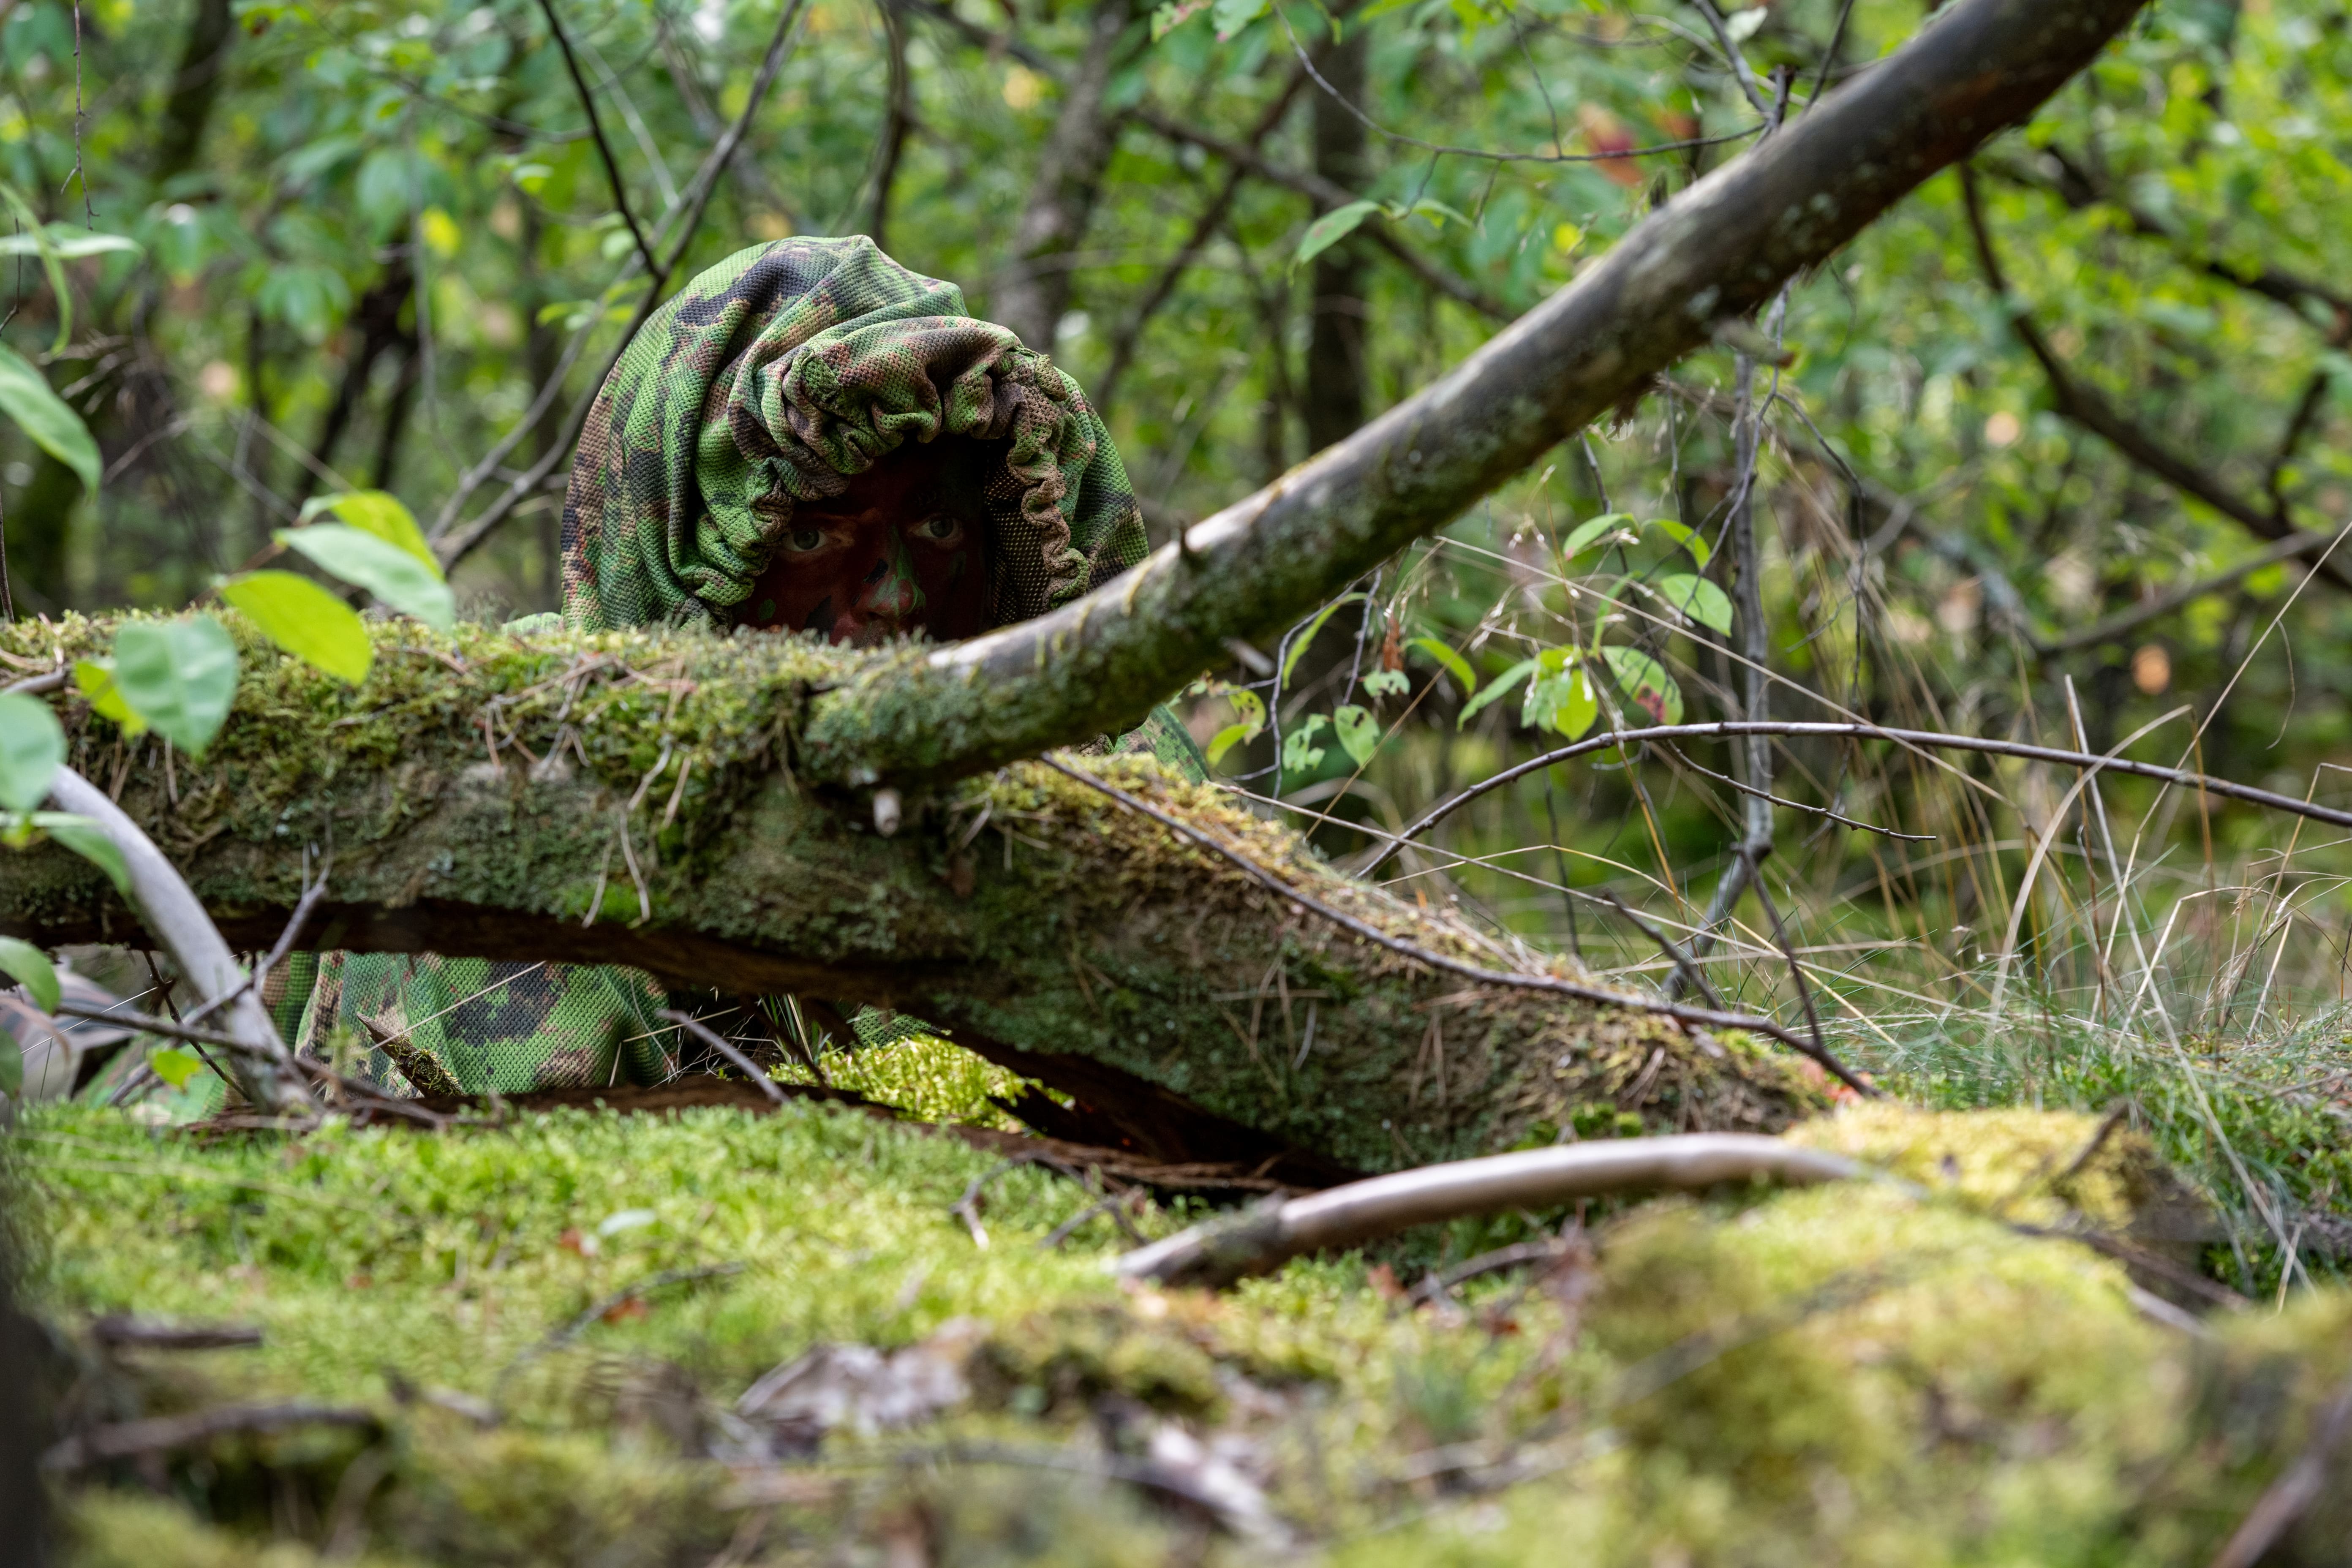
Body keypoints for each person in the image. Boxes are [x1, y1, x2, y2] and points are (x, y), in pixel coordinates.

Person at [272, 237, 1203, 1098]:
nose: (895, 596)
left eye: (940, 526)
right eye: (810, 534)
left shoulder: (1108, 768)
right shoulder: (530, 771)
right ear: (682, 560)